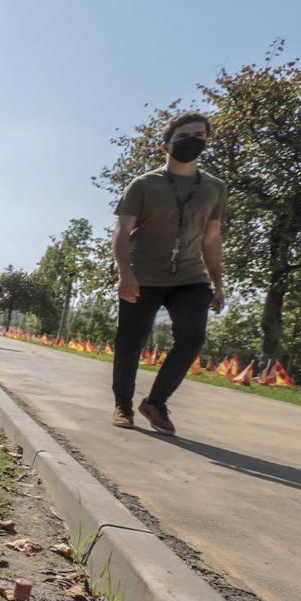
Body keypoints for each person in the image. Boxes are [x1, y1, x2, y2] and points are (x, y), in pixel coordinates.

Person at [110, 111, 226, 434]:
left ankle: (155, 402)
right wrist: (125, 273)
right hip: (143, 276)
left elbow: (212, 238)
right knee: (130, 342)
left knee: (192, 338)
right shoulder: (143, 185)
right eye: (185, 137)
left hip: (190, 277)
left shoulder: (215, 188)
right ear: (166, 145)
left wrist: (218, 284)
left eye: (200, 137)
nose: (194, 142)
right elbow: (122, 232)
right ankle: (123, 404)